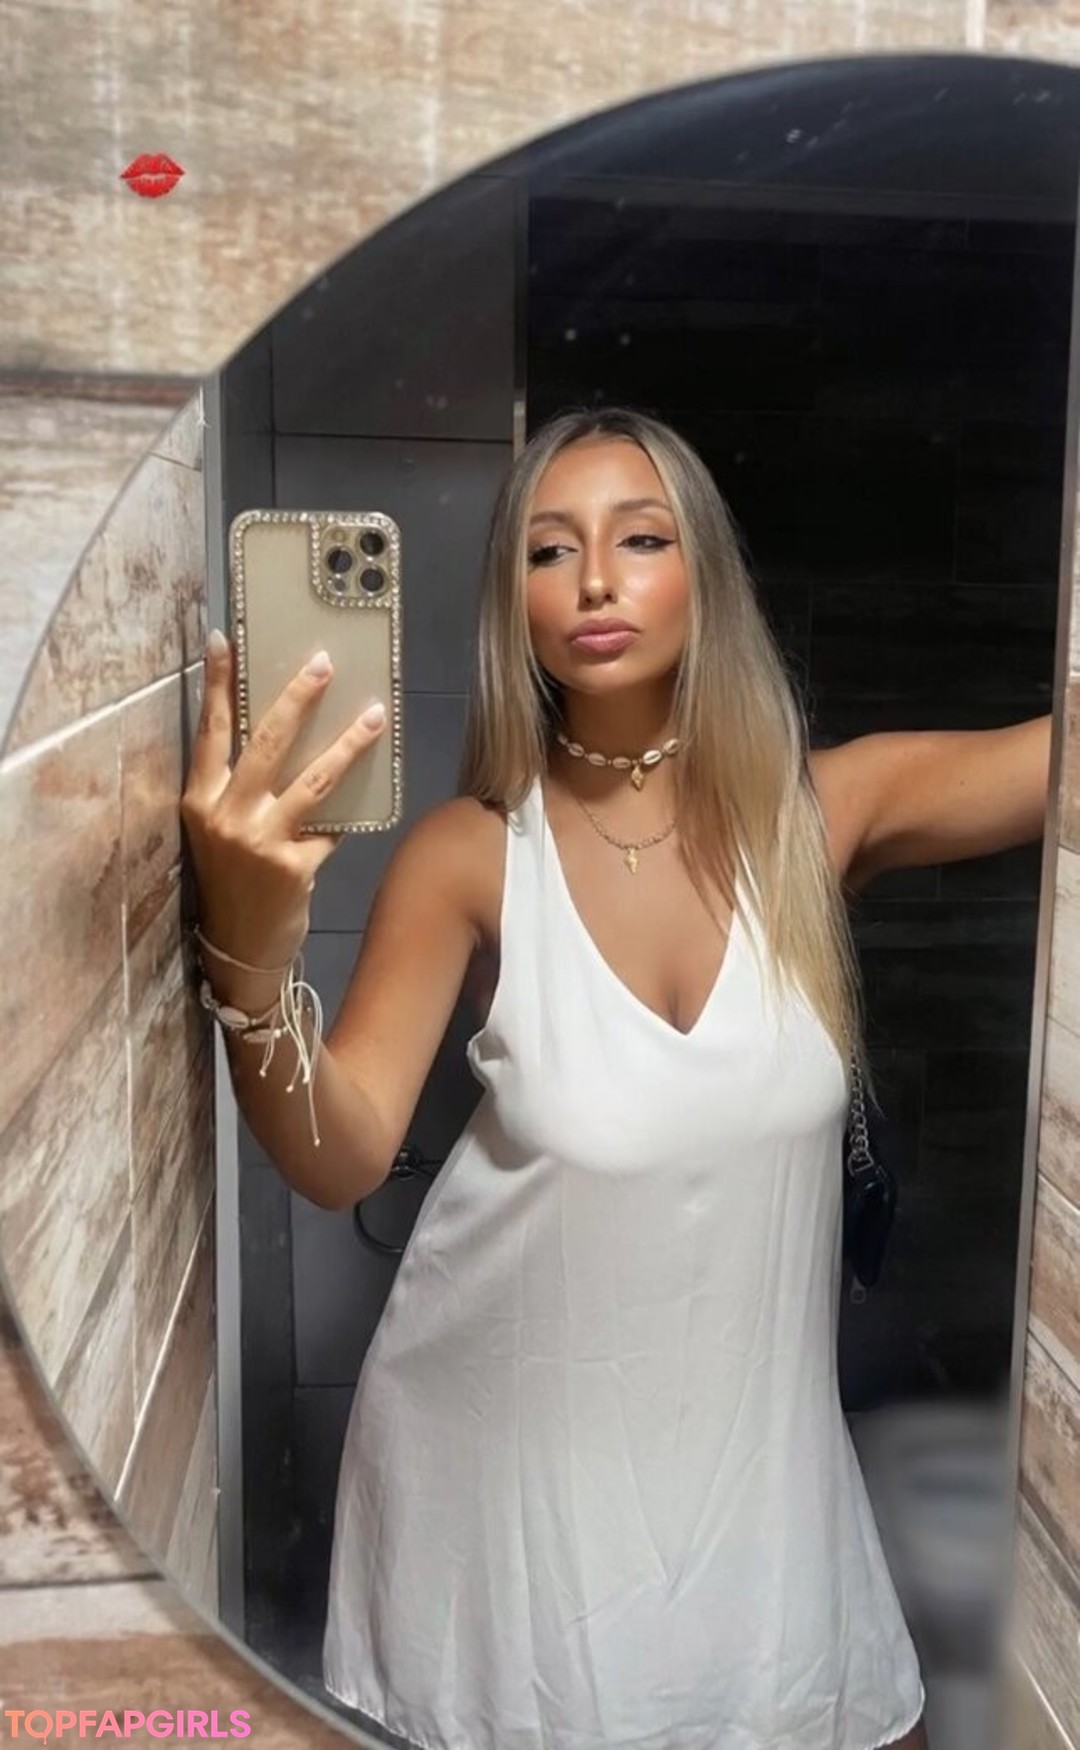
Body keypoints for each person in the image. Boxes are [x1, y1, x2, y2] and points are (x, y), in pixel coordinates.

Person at [182, 407, 1052, 1750]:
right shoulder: (469, 854)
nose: (594, 579)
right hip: (510, 1507)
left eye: (640, 539)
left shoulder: (822, 816)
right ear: (514, 601)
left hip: (760, 1506)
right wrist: (251, 959)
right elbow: (339, 1154)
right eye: (550, 549)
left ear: (705, 576)